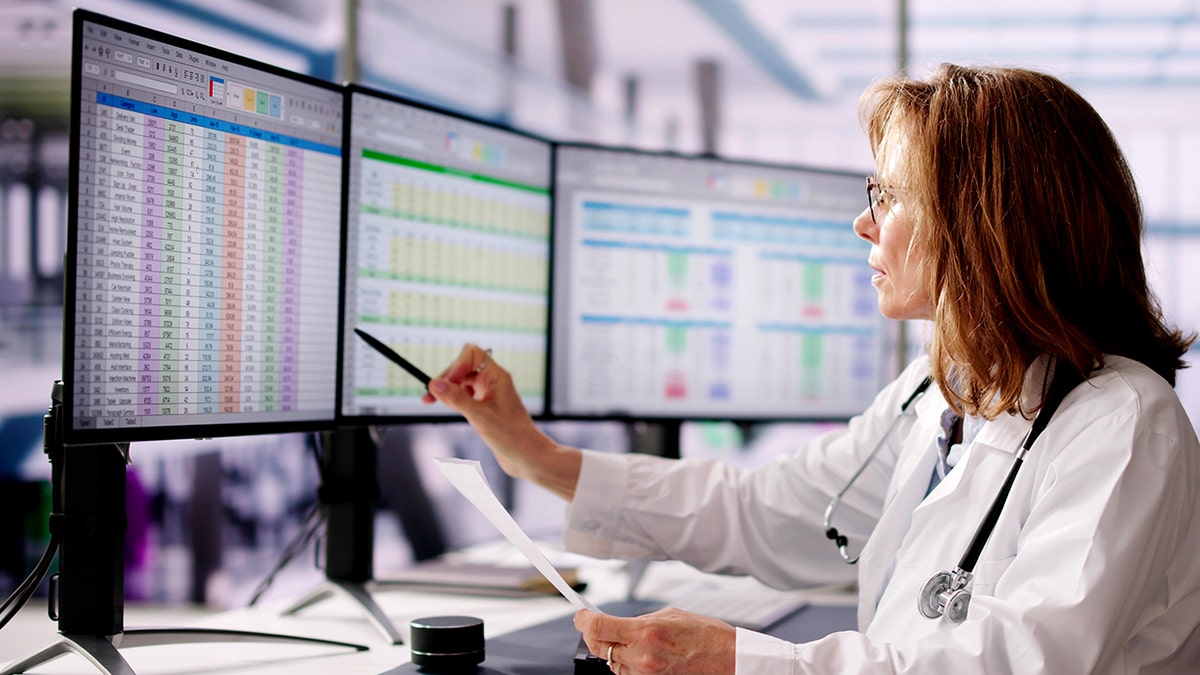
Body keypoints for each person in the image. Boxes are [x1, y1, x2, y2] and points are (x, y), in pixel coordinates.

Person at [422, 63, 1200, 673]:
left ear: (981, 223)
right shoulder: (940, 394)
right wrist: (535, 455)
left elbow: (1016, 663)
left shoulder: (1124, 425)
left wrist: (743, 661)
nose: (863, 221)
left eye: (889, 195)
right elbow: (766, 508)